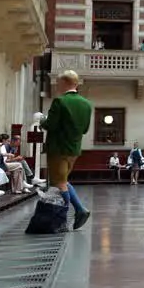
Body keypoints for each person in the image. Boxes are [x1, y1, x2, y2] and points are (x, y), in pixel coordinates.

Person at [42, 69, 93, 230]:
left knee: (59, 182)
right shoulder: (87, 104)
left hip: (58, 148)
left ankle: (77, 211)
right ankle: (73, 212)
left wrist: (42, 120)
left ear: (64, 83)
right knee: (63, 180)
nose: (57, 86)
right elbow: (84, 129)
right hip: (74, 149)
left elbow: (50, 125)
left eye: (58, 83)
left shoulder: (60, 101)